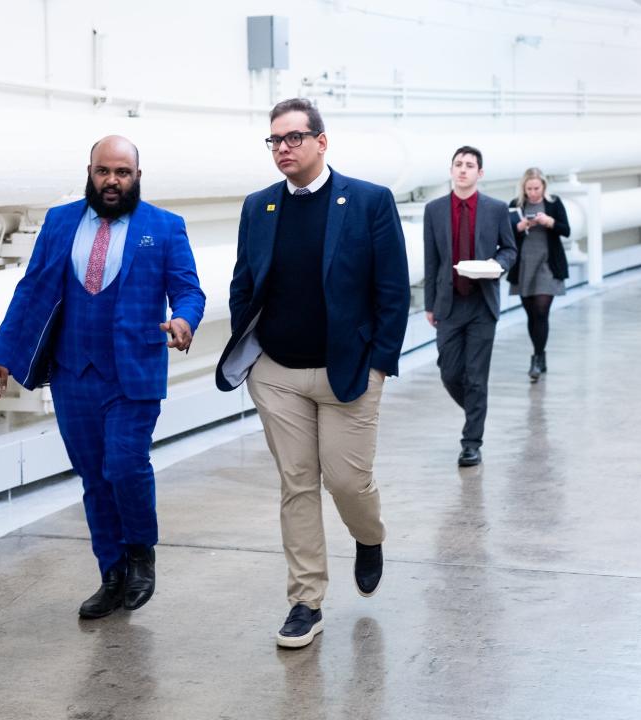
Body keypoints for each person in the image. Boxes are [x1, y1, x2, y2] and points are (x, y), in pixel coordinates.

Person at [216, 98, 410, 649]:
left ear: (321, 142)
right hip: (277, 373)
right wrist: (251, 349)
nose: (283, 148)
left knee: (347, 481)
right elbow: (243, 283)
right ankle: (306, 601)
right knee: (297, 484)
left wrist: (379, 363)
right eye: (275, 140)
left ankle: (368, 537)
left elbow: (392, 289)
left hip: (348, 371)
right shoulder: (259, 207)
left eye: (293, 138)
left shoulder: (369, 201)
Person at [0, 135, 205, 619]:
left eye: (122, 173)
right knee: (93, 477)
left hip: (134, 372)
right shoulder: (60, 222)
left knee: (124, 466)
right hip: (72, 374)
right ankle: (111, 574)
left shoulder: (164, 228)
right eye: (104, 171)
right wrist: (2, 354)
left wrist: (185, 319)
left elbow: (189, 290)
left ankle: (140, 553)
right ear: (90, 172)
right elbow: (30, 291)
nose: (112, 181)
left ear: (137, 178)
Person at [423, 146, 517, 467]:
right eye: (458, 164)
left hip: (481, 303)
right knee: (450, 373)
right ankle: (477, 410)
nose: (463, 170)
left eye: (470, 165)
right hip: (449, 304)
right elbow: (431, 259)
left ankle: (471, 442)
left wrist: (497, 264)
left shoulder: (496, 209)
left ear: (480, 173)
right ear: (451, 170)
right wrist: (430, 304)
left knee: (476, 378)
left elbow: (510, 249)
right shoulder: (434, 210)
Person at [507, 167, 571, 381]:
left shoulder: (553, 203)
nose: (533, 192)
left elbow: (566, 229)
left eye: (537, 188)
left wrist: (549, 221)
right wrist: (520, 226)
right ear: (523, 189)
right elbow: (505, 235)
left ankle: (537, 358)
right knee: (532, 313)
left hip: (548, 263)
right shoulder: (515, 206)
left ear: (544, 186)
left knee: (542, 310)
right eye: (529, 189)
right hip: (524, 264)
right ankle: (539, 354)